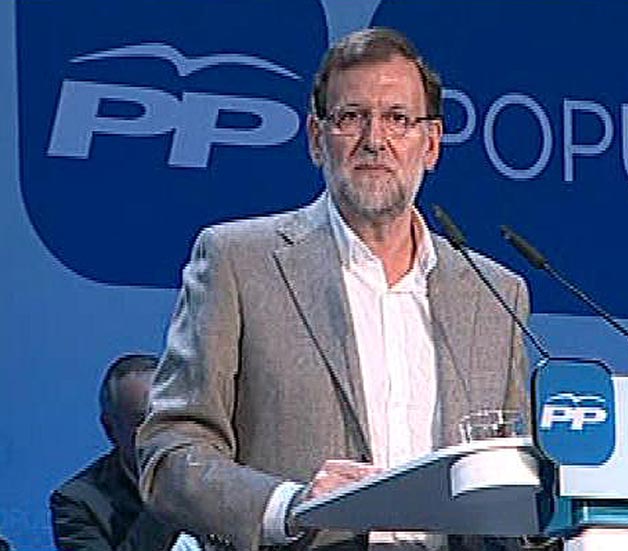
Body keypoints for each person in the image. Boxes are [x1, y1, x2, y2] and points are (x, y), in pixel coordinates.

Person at [137, 27, 529, 551]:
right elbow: (170, 452)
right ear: (316, 139)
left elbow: (510, 478)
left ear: (431, 144)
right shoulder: (238, 262)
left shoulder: (494, 294)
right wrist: (290, 506)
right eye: (351, 117)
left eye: (397, 118)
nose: (375, 140)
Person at [50, 354, 185, 551]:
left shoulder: (219, 472)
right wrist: (163, 499)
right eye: (143, 421)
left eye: (169, 416)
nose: (162, 431)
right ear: (110, 429)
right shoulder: (79, 503)